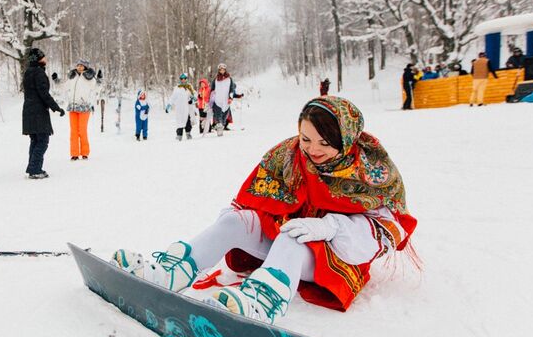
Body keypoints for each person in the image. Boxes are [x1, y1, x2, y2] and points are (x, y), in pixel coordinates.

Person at [112, 95, 416, 324]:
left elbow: (386, 229)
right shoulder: (288, 155)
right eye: (306, 138)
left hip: (336, 258)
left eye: (325, 142)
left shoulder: (370, 170)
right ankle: (169, 274)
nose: (312, 149)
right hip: (287, 238)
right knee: (235, 222)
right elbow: (255, 197)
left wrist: (330, 227)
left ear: (346, 140)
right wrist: (239, 219)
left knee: (291, 237)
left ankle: (259, 303)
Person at [22, 48, 64, 178]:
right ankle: (35, 170)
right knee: (42, 141)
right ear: (38, 59)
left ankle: (33, 167)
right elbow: (43, 93)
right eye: (43, 57)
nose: (45, 59)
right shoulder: (38, 73)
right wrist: (56, 107)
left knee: (35, 140)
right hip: (38, 111)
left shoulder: (28, 72)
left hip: (29, 110)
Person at [53, 59, 100, 160]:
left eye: (81, 66)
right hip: (73, 107)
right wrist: (56, 81)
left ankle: (85, 152)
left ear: (85, 67)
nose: (79, 67)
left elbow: (97, 88)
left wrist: (99, 80)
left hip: (84, 107)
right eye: (78, 65)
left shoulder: (90, 78)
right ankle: (74, 154)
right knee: (73, 131)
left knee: (82, 131)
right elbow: (64, 87)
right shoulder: (72, 77)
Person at [209, 63, 237, 136]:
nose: (222, 71)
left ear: (225, 70)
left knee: (224, 116)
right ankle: (219, 127)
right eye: (220, 69)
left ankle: (221, 125)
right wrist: (211, 99)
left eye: (223, 69)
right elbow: (212, 89)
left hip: (226, 100)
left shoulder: (229, 79)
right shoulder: (215, 79)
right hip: (217, 100)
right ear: (219, 70)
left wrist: (230, 98)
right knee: (218, 116)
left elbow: (231, 89)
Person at [168, 73, 196, 141]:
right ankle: (179, 135)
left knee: (187, 122)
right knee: (179, 121)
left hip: (187, 108)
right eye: (182, 79)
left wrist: (192, 99)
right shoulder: (177, 88)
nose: (183, 80)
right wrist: (169, 104)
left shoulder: (189, 87)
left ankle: (188, 133)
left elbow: (194, 95)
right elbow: (173, 97)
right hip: (180, 108)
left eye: (184, 78)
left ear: (186, 79)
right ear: (180, 79)